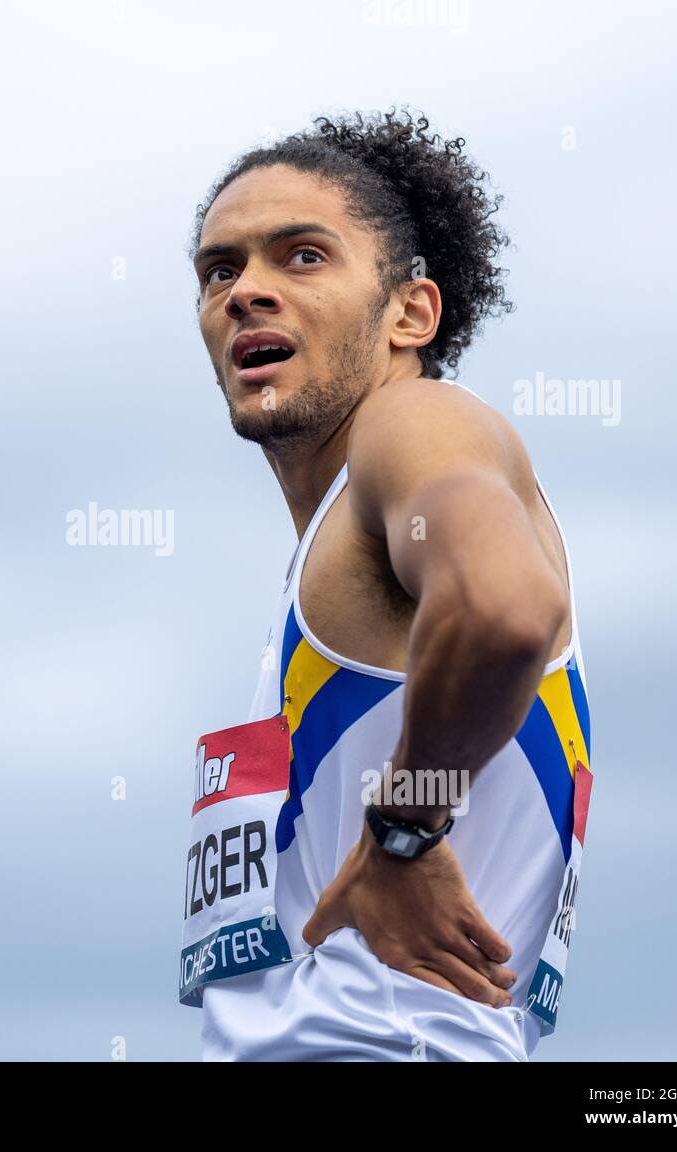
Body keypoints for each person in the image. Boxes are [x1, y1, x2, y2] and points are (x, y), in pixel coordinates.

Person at [179, 109, 594, 1061]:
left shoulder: (414, 423)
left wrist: (404, 830)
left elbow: (505, 608)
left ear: (410, 313)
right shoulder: (334, 541)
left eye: (303, 256)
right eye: (220, 270)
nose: (248, 292)